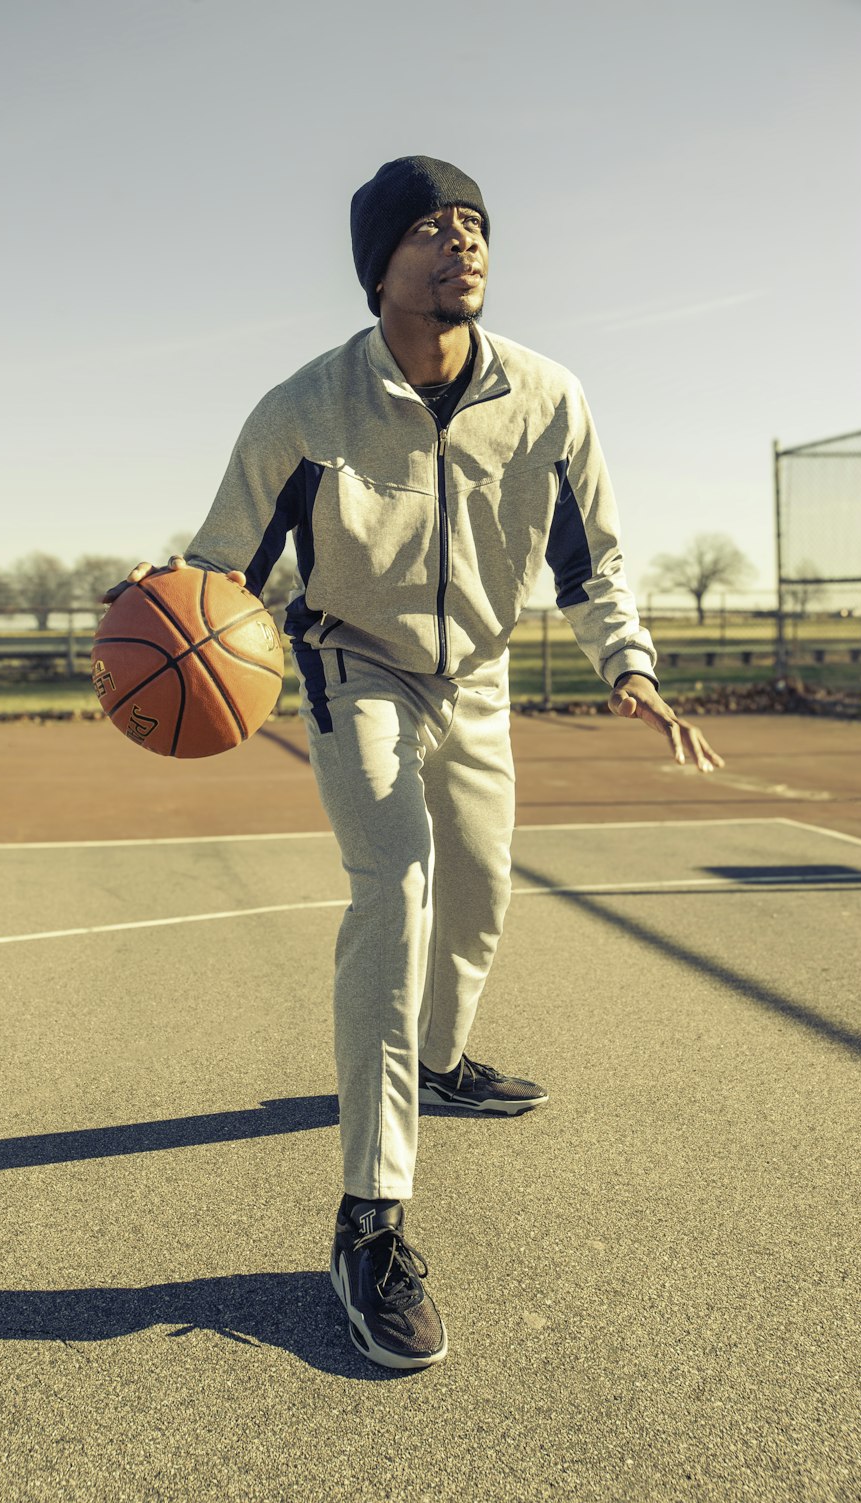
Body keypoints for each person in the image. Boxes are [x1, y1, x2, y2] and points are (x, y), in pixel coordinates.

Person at [109, 155, 723, 1372]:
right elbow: (222, 566)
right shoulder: (304, 408)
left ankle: (439, 1064)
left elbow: (591, 562)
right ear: (379, 266)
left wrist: (629, 668)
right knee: (397, 890)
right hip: (356, 669)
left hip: (480, 677)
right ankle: (369, 1219)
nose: (464, 244)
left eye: (476, 225)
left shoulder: (549, 399)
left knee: (481, 897)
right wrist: (164, 603)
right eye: (434, 229)